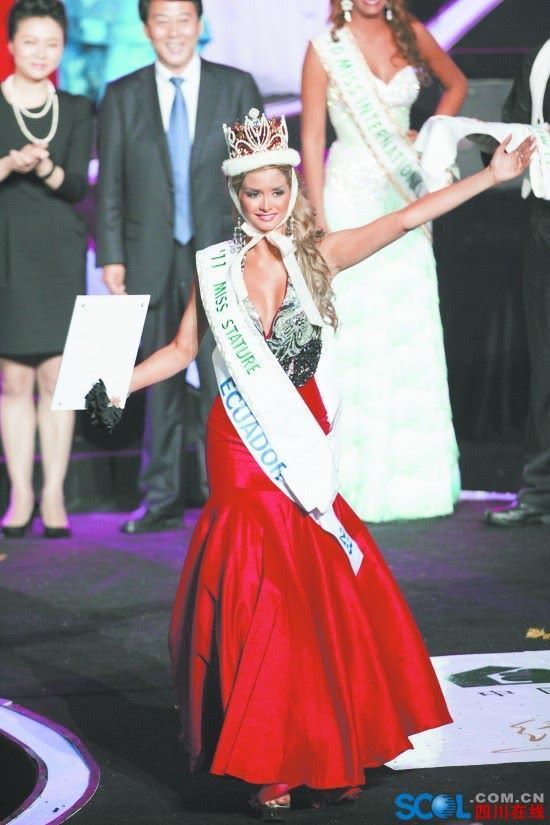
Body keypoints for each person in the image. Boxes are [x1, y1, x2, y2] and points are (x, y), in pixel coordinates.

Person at [94, 109, 532, 816]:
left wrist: (490, 175)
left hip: (299, 442)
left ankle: (314, 738)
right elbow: (180, 353)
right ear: (236, 196)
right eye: (253, 194)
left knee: (305, 595)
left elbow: (405, 218)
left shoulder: (318, 255)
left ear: (291, 189)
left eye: (276, 191)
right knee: (258, 596)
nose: (266, 204)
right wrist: (110, 381)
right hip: (239, 446)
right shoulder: (210, 267)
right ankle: (270, 757)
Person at [96, 0, 261, 535]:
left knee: (225, 376)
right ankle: (162, 497)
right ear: (146, 29)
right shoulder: (122, 95)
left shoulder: (236, 87)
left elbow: (257, 175)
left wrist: (259, 247)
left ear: (200, 25)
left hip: (222, 250)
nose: (173, 31)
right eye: (160, 20)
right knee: (159, 379)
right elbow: (111, 185)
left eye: (183, 19)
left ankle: (227, 494)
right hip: (150, 252)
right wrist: (112, 253)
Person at [300, 0, 468, 522]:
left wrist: (433, 132)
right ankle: (353, 481)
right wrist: (320, 222)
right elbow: (310, 137)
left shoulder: (412, 33)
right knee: (357, 333)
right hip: (348, 196)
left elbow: (457, 84)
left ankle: (415, 482)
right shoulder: (323, 49)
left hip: (404, 195)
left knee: (408, 327)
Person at [0, 0, 93, 539]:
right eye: (30, 41)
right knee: (14, 379)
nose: (40, 52)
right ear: (11, 44)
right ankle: (21, 493)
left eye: (51, 43)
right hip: (8, 249)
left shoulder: (77, 108)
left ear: (62, 48)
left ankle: (54, 494)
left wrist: (47, 167)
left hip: (57, 250)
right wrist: (10, 164)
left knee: (58, 378)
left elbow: (78, 185)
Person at [485, 40, 550, 527]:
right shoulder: (538, 53)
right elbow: (518, 122)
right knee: (545, 361)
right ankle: (542, 491)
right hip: (542, 217)